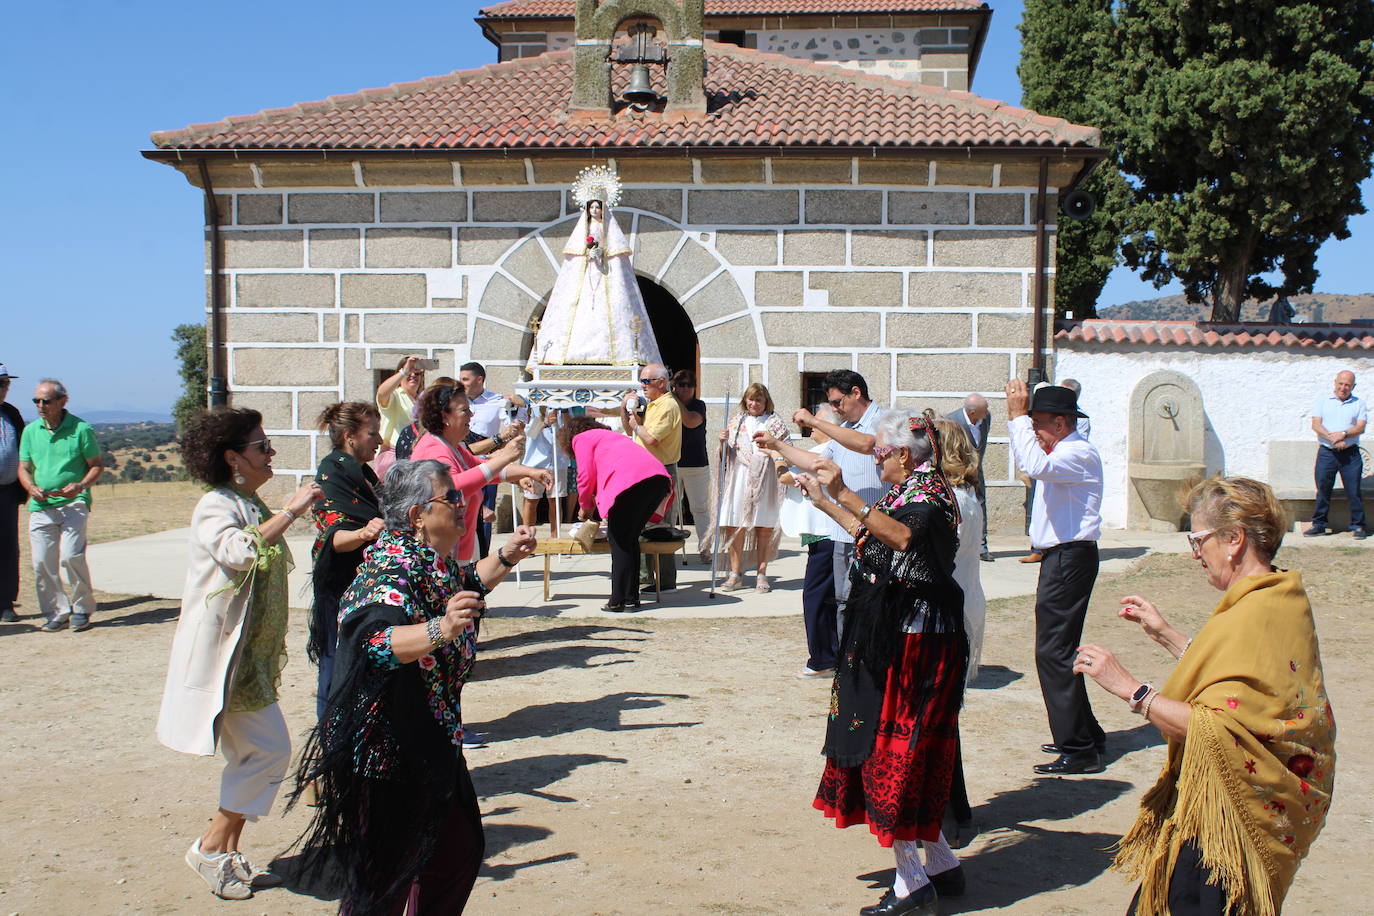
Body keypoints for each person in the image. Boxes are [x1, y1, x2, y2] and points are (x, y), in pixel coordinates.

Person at [289, 459, 538, 915]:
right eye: (451, 498)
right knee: (384, 881)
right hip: (388, 751)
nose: (463, 507)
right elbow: (373, 643)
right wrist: (439, 629)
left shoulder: (428, 560)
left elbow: (462, 584)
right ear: (418, 515)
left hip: (429, 740)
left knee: (454, 855)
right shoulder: (387, 572)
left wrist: (505, 557)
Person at [1079, 477, 1335, 915]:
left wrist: (1131, 689)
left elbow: (1222, 731)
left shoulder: (1254, 611)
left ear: (1233, 539)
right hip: (1226, 811)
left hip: (1230, 829)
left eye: (1197, 540)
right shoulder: (1279, 594)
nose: (1194, 553)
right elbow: (1245, 683)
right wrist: (1167, 636)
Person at [797, 412, 968, 916]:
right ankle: (938, 861)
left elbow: (901, 539)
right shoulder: (910, 492)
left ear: (904, 455)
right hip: (894, 632)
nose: (875, 453)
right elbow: (871, 534)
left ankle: (912, 881)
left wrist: (846, 491)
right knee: (902, 746)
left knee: (895, 748)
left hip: (915, 638)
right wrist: (827, 502)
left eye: (881, 448)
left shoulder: (930, 498)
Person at [157, 407, 323, 901]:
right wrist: (291, 510)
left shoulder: (247, 501)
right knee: (268, 751)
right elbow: (240, 552)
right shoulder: (216, 505)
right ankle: (211, 847)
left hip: (248, 662)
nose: (271, 455)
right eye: (261, 448)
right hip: (225, 665)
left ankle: (222, 853)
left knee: (256, 753)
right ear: (233, 458)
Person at [1004, 378, 1106, 775]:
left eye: (1040, 424)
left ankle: (1078, 746)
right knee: (1061, 649)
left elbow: (1032, 464)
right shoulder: (1067, 451)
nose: (1035, 432)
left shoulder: (1077, 453)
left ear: (1061, 424)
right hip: (1063, 557)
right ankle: (1085, 735)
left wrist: (1015, 417)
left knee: (1054, 652)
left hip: (1069, 557)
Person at [754, 369, 886, 637]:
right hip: (843, 531)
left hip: (876, 532)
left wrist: (816, 420)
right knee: (845, 607)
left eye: (838, 403)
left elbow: (867, 444)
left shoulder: (882, 421)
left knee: (872, 608)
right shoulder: (846, 428)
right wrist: (777, 445)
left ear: (856, 394)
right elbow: (815, 462)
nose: (837, 409)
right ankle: (846, 671)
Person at [410, 384, 549, 565]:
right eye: (464, 410)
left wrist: (529, 472)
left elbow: (481, 468)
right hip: (444, 554)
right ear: (445, 416)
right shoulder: (434, 448)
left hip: (459, 547)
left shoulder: (452, 446)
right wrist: (505, 457)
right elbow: (453, 487)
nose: (471, 415)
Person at [524, 193, 661, 372]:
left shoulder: (609, 229)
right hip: (585, 275)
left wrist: (602, 253)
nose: (595, 210)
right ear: (587, 210)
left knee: (615, 309)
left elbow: (613, 252)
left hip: (607, 273)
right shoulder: (583, 229)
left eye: (598, 207)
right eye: (592, 207)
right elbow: (577, 254)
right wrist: (589, 254)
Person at [309, 401, 385, 720]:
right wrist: (365, 534)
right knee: (336, 667)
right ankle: (332, 736)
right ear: (349, 436)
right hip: (340, 590)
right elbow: (333, 539)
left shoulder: (363, 474)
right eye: (372, 433)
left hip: (366, 587)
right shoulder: (332, 474)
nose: (379, 441)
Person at [17, 378, 103, 632]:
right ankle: (57, 611)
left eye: (47, 401)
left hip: (74, 503)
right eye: (37, 401)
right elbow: (24, 468)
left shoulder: (81, 429)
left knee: (70, 557)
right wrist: (31, 487)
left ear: (63, 401)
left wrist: (81, 486)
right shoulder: (31, 431)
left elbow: (96, 464)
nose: (41, 406)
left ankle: (83, 608)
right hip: (41, 506)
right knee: (42, 561)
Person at [562, 416, 672, 611]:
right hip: (658, 479)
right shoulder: (611, 437)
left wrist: (585, 506)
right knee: (629, 540)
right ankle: (631, 598)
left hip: (634, 483)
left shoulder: (582, 438)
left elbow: (585, 475)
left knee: (619, 540)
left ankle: (618, 600)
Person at [774, 404, 841, 678]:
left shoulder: (824, 451)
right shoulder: (820, 450)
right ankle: (828, 655)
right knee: (825, 597)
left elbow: (787, 477)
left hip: (828, 531)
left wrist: (775, 455)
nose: (812, 425)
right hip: (821, 532)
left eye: (817, 420)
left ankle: (823, 659)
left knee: (816, 596)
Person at [714, 382, 789, 592]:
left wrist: (771, 451)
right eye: (751, 399)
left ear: (766, 402)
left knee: (763, 526)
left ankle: (761, 573)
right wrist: (722, 443)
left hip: (765, 478)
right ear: (745, 400)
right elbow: (725, 455)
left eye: (758, 399)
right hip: (739, 476)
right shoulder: (737, 421)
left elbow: (786, 450)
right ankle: (735, 573)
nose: (754, 403)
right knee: (734, 524)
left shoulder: (775, 423)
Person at [622, 362, 682, 590]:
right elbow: (632, 430)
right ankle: (649, 577)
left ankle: (664, 580)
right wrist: (626, 409)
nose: (643, 385)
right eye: (642, 381)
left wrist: (636, 424)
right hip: (648, 469)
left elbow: (651, 439)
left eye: (646, 381)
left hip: (661, 469)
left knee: (659, 527)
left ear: (661, 382)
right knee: (644, 524)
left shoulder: (667, 406)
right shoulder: (653, 404)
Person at [460, 361, 527, 559]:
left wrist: (521, 408)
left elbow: (515, 422)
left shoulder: (497, 401)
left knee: (485, 514)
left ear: (479, 380)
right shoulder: (457, 401)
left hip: (486, 462)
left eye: (466, 379)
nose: (461, 383)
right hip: (462, 462)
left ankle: (482, 557)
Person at [1304, 369, 1366, 538]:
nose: (1343, 387)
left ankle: (1358, 526)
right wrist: (1333, 439)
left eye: (1347, 385)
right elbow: (1316, 425)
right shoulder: (1323, 402)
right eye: (1341, 383)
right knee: (1323, 489)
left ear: (1353, 386)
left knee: (1353, 490)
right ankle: (1319, 524)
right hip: (1327, 453)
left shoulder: (1359, 403)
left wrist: (1344, 434)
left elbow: (1361, 427)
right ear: (1335, 382)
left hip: (1350, 455)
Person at [945, 394, 993, 562]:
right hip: (958, 472)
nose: (987, 413)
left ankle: (982, 547)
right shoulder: (952, 421)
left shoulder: (986, 419)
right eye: (984, 410)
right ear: (972, 413)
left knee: (981, 504)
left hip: (976, 471)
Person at [672, 370, 711, 560]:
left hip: (696, 464)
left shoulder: (699, 405)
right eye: (682, 385)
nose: (686, 388)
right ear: (675, 386)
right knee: (670, 509)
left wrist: (672, 398)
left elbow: (690, 421)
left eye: (690, 385)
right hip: (672, 462)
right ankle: (667, 549)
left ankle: (705, 548)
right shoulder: (668, 405)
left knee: (700, 508)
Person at [0, 364, 23, 623]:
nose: (5, 389)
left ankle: (6, 602)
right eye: (1, 384)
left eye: (6, 384)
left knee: (7, 547)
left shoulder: (11, 413)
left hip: (6, 492)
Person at [376, 355, 427, 449]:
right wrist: (404, 371)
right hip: (393, 452)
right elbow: (381, 393)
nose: (413, 375)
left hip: (415, 452)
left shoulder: (422, 399)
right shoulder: (395, 395)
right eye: (409, 372)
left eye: (417, 373)